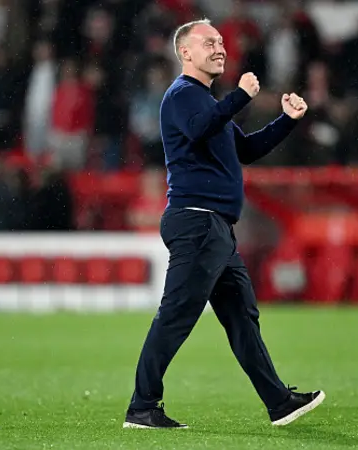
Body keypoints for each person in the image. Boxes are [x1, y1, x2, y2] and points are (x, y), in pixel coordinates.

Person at [123, 19, 325, 429]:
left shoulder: (204, 103)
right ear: (185, 53)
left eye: (220, 42)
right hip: (197, 223)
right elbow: (201, 129)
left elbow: (246, 149)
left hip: (214, 229)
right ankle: (142, 406)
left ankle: (279, 402)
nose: (219, 47)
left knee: (240, 318)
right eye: (209, 42)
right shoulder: (181, 96)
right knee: (177, 314)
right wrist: (240, 97)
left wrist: (286, 120)